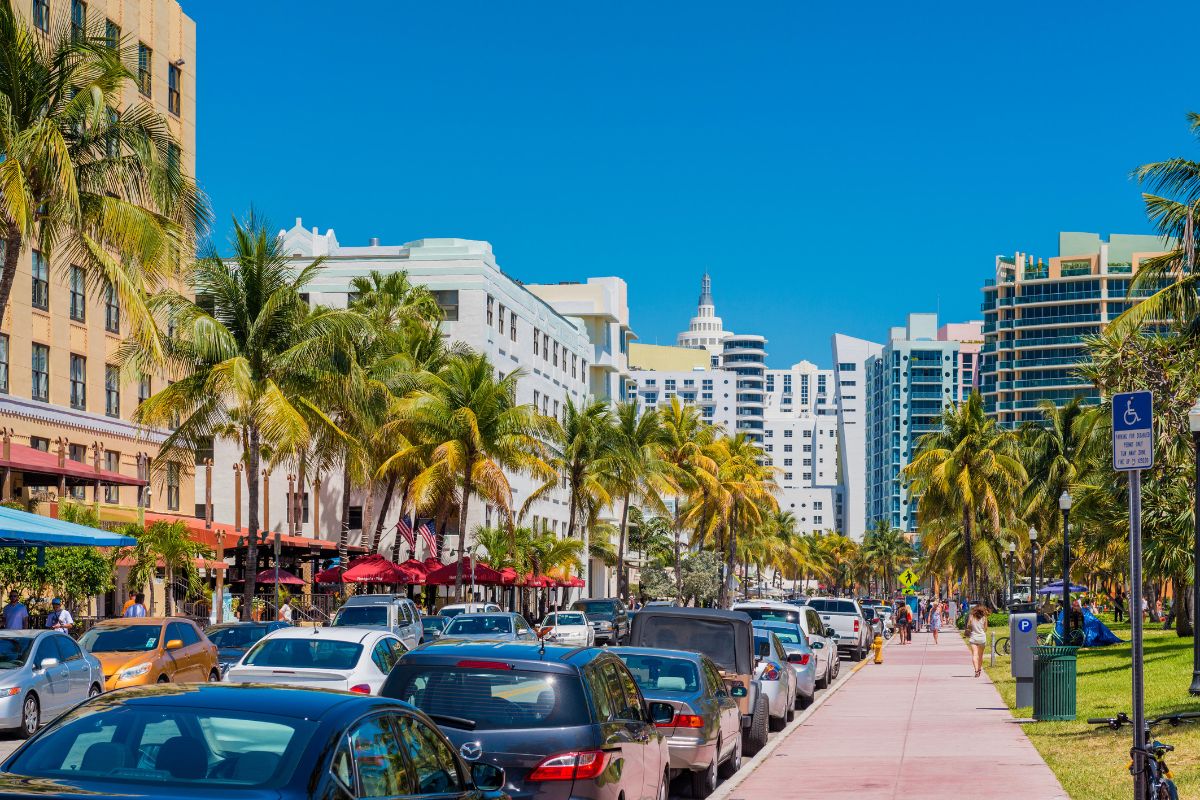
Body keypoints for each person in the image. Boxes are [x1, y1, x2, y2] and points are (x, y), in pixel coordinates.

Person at [966, 604, 989, 677]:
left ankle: (976, 670)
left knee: (974, 654)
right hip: (982, 638)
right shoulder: (984, 618)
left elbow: (968, 626)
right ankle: (979, 669)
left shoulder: (971, 617)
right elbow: (985, 629)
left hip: (973, 637)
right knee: (980, 655)